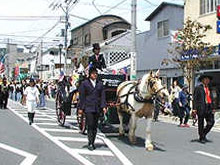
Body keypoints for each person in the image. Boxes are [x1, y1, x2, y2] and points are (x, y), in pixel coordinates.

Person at [78, 67, 107, 150]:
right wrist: (81, 108)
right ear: (90, 74)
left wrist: (104, 106)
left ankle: (93, 141)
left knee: (95, 126)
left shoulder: (100, 84)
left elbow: (102, 96)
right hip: (88, 107)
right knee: (90, 125)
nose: (95, 75)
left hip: (97, 107)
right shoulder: (85, 83)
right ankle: (90, 142)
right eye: (93, 73)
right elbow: (82, 97)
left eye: (96, 73)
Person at [193, 74, 215, 143]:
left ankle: (203, 133)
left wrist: (213, 107)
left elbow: (212, 98)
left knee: (211, 122)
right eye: (205, 79)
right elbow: (195, 99)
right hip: (201, 107)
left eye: (208, 79)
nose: (207, 80)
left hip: (208, 107)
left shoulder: (209, 88)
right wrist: (194, 108)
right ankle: (201, 137)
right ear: (202, 80)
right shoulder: (198, 88)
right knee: (201, 123)